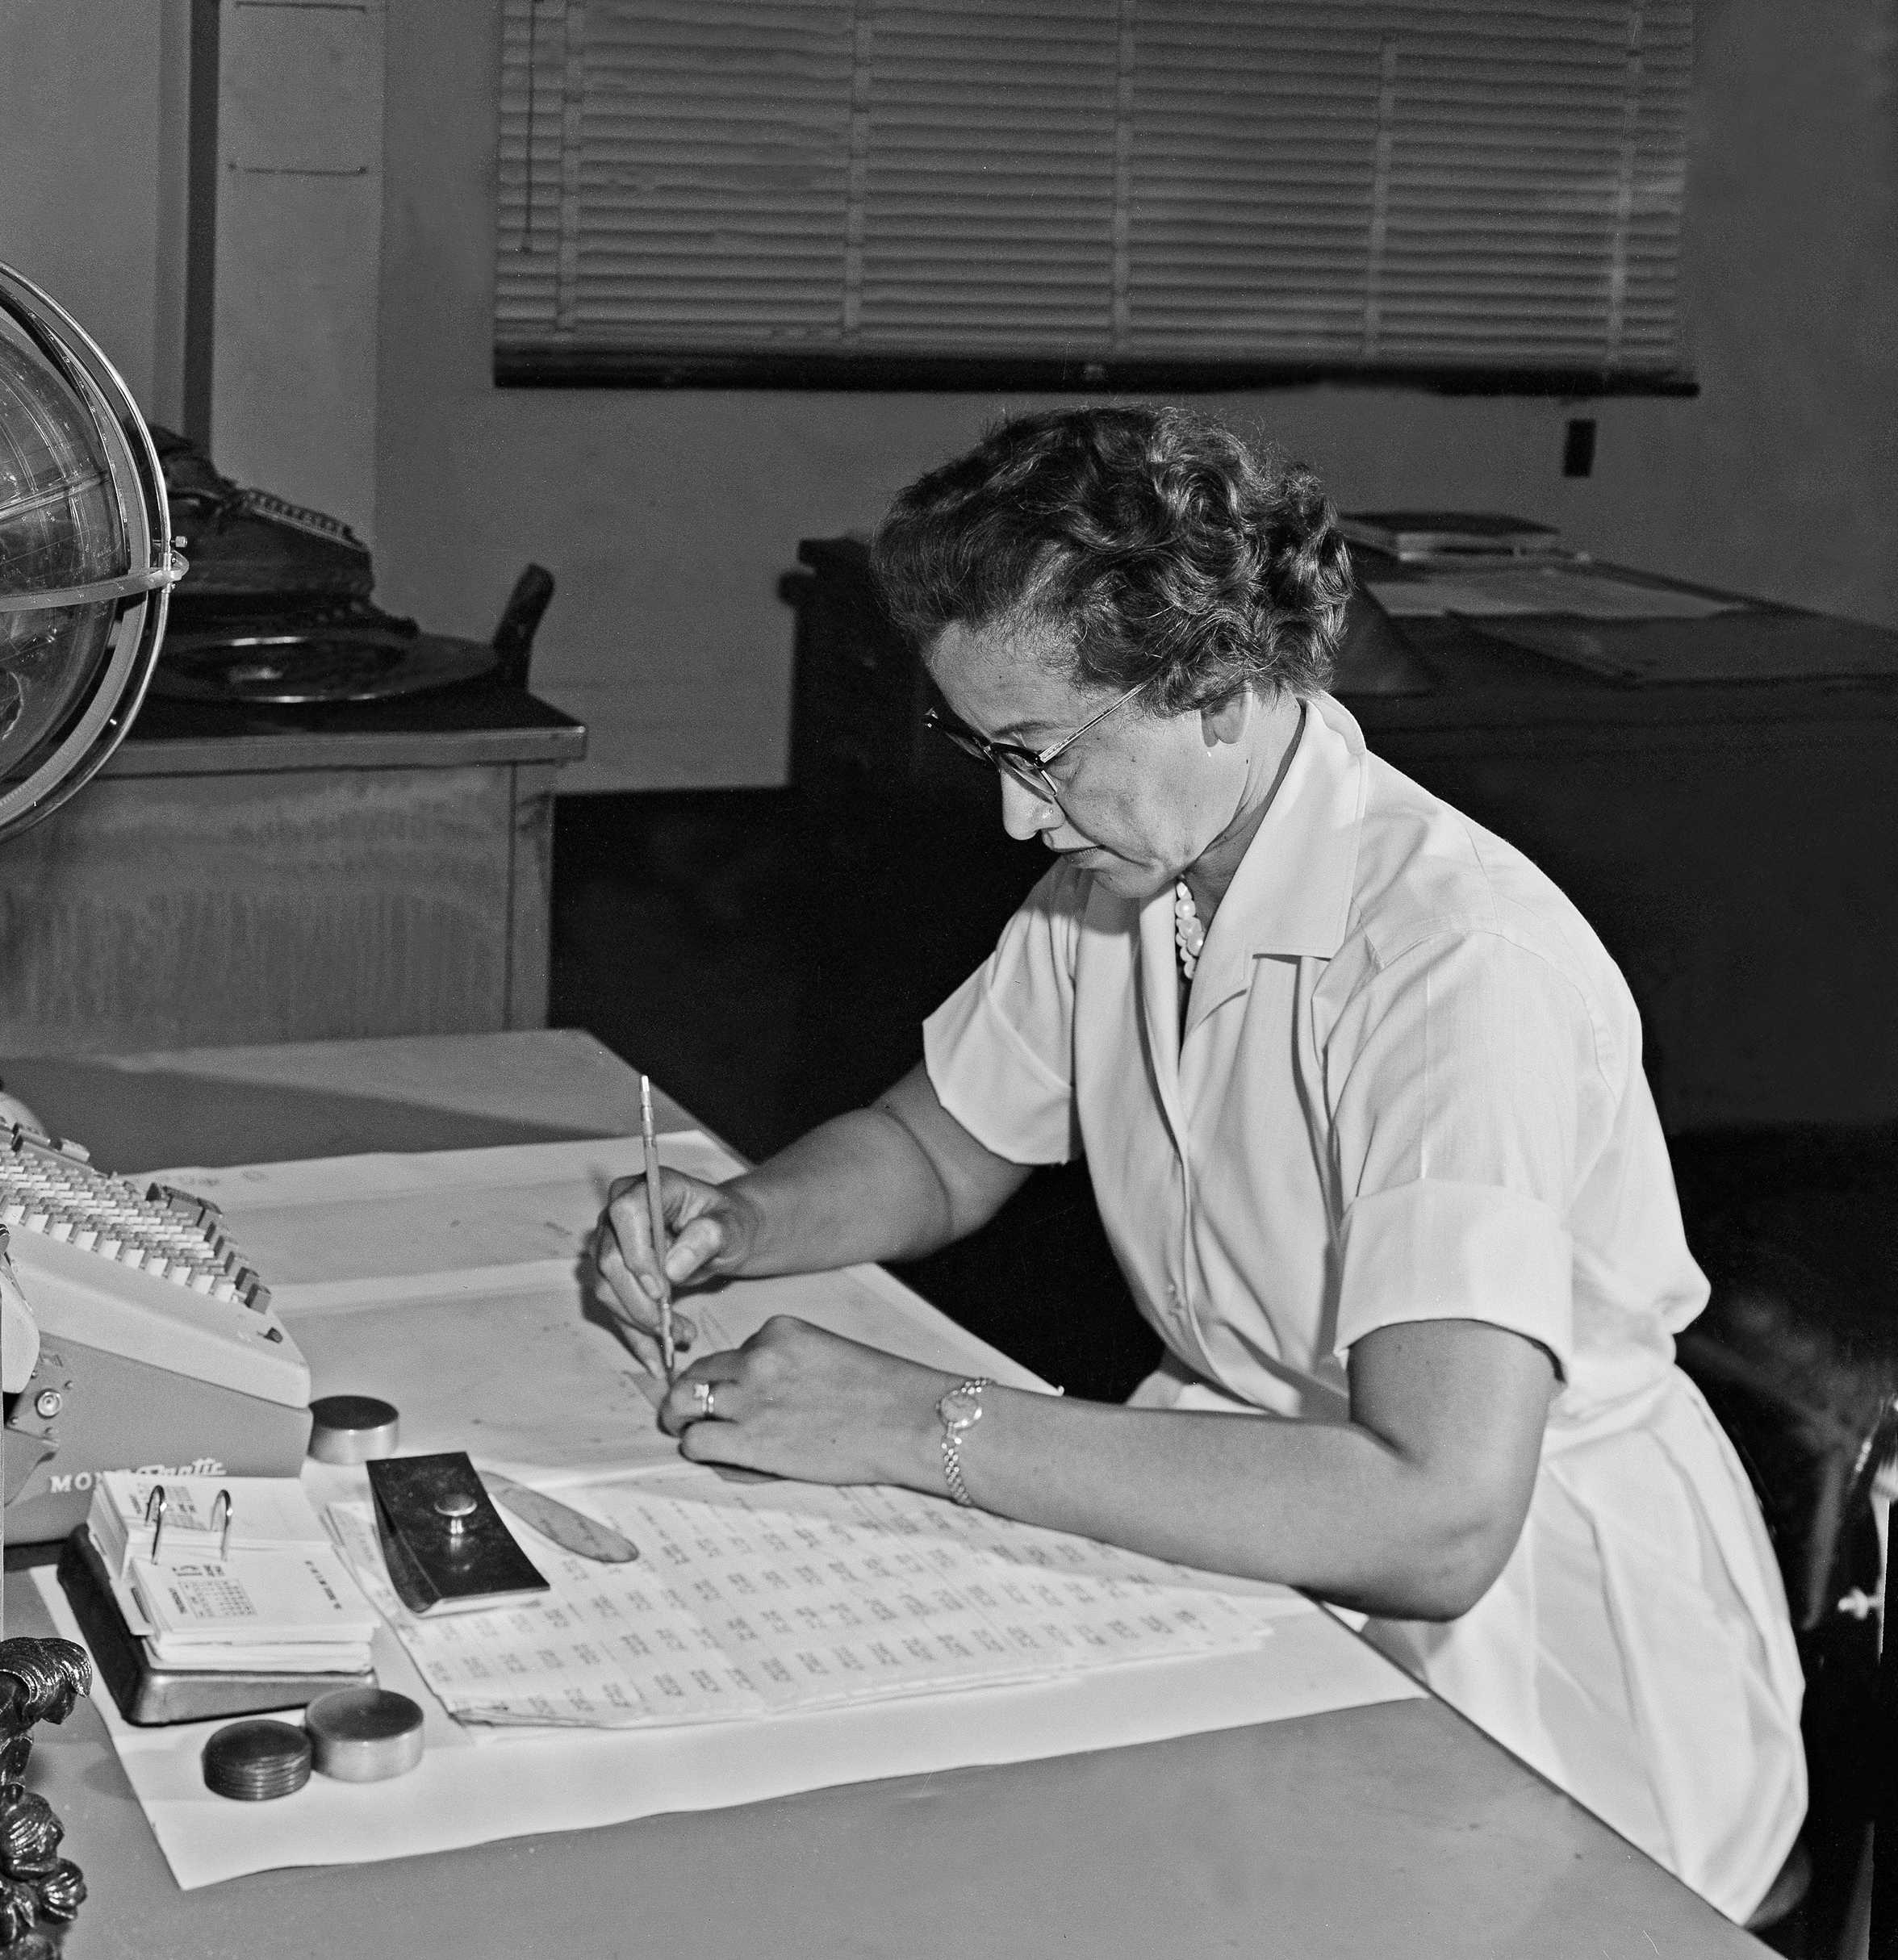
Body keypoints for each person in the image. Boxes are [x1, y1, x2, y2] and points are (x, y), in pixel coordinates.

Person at [592, 405, 1804, 1921]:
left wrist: (921, 1421)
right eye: (984, 749)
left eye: (1042, 755)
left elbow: (1434, 1514)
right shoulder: (1128, 880)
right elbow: (936, 1142)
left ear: (1221, 690)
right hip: (1246, 1517)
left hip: (1538, 1668)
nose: (1015, 814)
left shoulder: (1453, 967)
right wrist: (743, 1216)